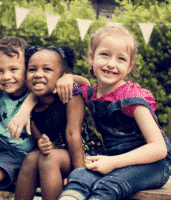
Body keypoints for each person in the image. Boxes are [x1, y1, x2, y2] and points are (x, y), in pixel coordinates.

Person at [0, 36, 89, 200]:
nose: (6, 76)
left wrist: (69, 78)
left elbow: (84, 85)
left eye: (14, 69)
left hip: (19, 152)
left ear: (26, 69)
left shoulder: (38, 90)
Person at [59, 25, 171, 200]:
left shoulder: (131, 98)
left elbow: (159, 149)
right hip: (116, 161)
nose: (111, 64)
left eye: (121, 59)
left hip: (152, 165)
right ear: (91, 57)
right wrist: (68, 77)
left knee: (108, 186)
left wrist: (112, 162)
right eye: (105, 54)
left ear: (129, 66)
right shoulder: (93, 96)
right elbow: (83, 84)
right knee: (78, 177)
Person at [14, 45, 86, 200]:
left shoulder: (70, 94)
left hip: (82, 155)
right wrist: (45, 144)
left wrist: (80, 178)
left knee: (49, 158)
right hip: (56, 152)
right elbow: (40, 138)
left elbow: (73, 134)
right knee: (31, 158)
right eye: (32, 69)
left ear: (62, 76)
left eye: (47, 69)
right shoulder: (29, 104)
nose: (38, 74)